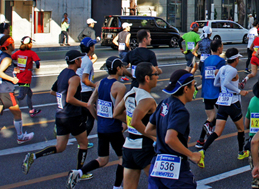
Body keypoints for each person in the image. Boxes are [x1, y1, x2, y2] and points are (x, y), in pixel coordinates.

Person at [21, 50, 90, 175]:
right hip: (73, 116)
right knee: (83, 144)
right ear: (76, 61)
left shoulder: (63, 73)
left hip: (60, 115)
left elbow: (52, 91)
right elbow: (70, 98)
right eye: (80, 59)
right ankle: (79, 173)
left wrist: (61, 99)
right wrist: (86, 104)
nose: (81, 61)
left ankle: (34, 156)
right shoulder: (74, 78)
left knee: (60, 147)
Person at [67, 57, 129, 188]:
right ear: (118, 69)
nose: (124, 69)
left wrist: (98, 119)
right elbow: (117, 112)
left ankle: (79, 172)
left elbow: (90, 104)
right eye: (122, 67)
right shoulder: (119, 86)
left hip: (101, 128)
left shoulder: (100, 83)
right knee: (124, 158)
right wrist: (128, 121)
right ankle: (117, 187)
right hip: (113, 128)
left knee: (102, 159)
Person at [145, 70, 204, 188]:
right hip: (175, 168)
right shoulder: (181, 111)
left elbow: (148, 130)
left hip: (157, 165)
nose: (195, 89)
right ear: (185, 89)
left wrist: (178, 139)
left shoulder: (163, 103)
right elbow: (170, 139)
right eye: (193, 85)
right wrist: (191, 155)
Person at [201, 49, 250, 160]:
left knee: (217, 131)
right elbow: (227, 83)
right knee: (240, 129)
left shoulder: (222, 68)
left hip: (222, 103)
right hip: (233, 103)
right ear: (236, 59)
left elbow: (216, 83)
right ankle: (241, 153)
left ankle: (202, 151)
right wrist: (239, 91)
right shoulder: (233, 70)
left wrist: (224, 87)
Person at [117, 61, 158, 189]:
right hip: (144, 148)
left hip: (129, 146)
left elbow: (116, 114)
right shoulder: (147, 99)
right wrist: (152, 136)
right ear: (147, 78)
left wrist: (130, 123)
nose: (158, 76)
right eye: (155, 74)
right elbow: (135, 121)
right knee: (158, 185)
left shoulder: (130, 93)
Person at [195, 39, 225, 148]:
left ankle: (200, 140)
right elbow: (222, 78)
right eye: (222, 46)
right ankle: (210, 129)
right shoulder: (221, 61)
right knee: (224, 113)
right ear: (219, 48)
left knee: (211, 116)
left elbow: (203, 77)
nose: (222, 48)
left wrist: (199, 88)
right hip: (217, 93)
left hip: (206, 93)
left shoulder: (206, 61)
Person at [11, 36, 41, 117]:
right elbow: (37, 62)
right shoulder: (31, 53)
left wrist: (15, 65)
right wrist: (37, 66)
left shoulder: (18, 52)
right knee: (21, 96)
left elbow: (10, 58)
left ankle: (31, 110)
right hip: (26, 77)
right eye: (31, 43)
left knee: (29, 93)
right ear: (29, 44)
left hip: (19, 75)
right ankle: (8, 102)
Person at [77, 37, 98, 143]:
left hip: (78, 91)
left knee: (82, 117)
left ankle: (81, 139)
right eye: (93, 45)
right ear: (90, 47)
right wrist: (95, 86)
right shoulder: (87, 62)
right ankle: (83, 141)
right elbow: (85, 80)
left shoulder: (80, 59)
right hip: (86, 92)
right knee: (91, 117)